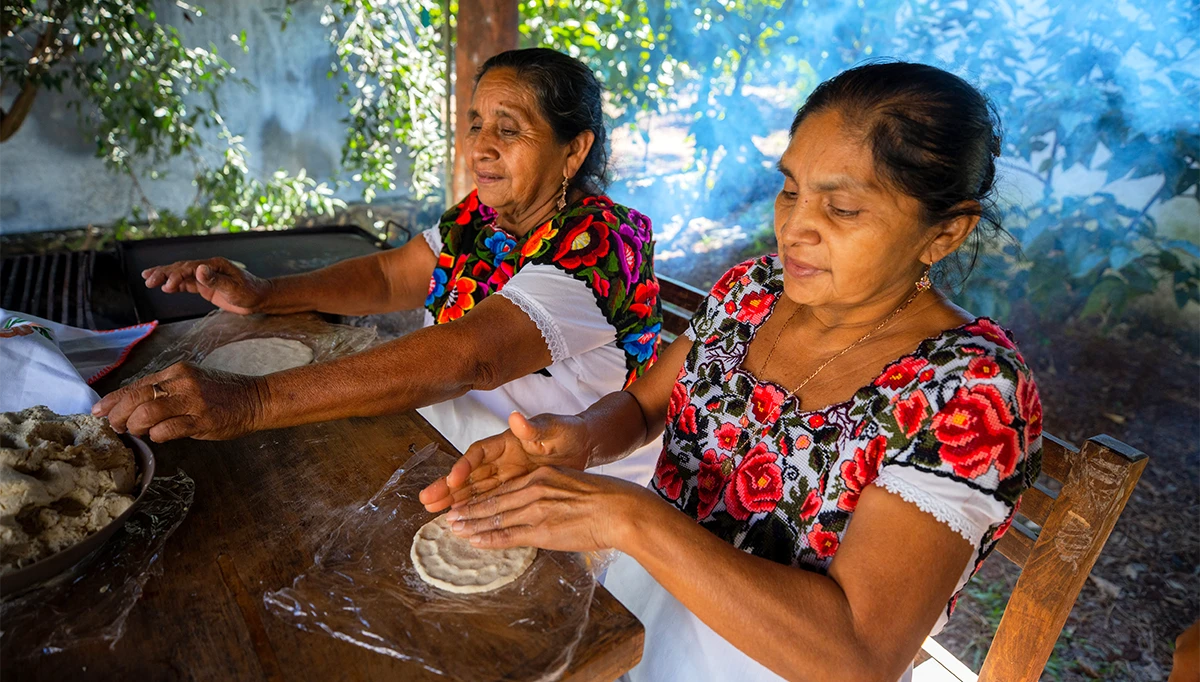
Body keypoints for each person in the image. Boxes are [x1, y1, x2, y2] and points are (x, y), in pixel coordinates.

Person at [420, 61, 1043, 682]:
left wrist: (628, 517)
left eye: (844, 208)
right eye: (791, 190)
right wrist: (576, 437)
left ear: (946, 233)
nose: (795, 227)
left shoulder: (968, 393)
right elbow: (643, 408)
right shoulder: (753, 292)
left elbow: (857, 655)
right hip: (627, 632)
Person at [93, 48, 664, 485]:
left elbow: (471, 356)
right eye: (475, 124)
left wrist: (251, 400)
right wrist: (266, 294)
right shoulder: (482, 219)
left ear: (574, 149)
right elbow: (393, 276)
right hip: (446, 445)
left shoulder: (603, 243)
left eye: (509, 130)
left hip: (561, 480)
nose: (480, 146)